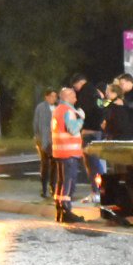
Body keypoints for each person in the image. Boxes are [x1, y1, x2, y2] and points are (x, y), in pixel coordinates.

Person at [50, 86, 87, 222]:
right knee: (69, 182)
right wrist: (81, 119)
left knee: (61, 181)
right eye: (73, 96)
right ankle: (67, 210)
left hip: (59, 152)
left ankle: (59, 210)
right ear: (66, 97)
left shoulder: (57, 110)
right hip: (69, 153)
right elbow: (73, 129)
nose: (76, 99)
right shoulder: (68, 111)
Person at [32, 88, 57, 199]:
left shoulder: (57, 107)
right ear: (46, 97)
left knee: (54, 165)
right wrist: (38, 137)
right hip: (43, 140)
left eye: (55, 96)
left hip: (55, 141)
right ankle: (44, 188)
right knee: (45, 164)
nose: (53, 98)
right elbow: (36, 123)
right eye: (51, 96)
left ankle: (53, 186)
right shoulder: (40, 108)